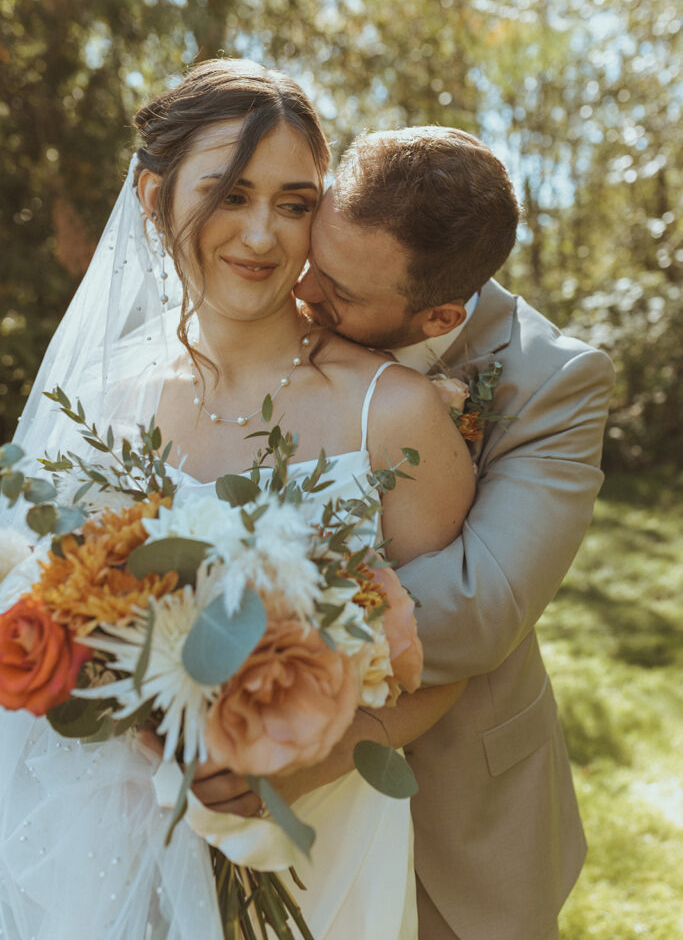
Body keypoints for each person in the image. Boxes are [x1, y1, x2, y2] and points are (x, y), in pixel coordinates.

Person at [0, 62, 474, 940]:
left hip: (317, 835)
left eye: (294, 203)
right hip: (95, 838)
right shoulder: (102, 396)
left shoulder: (392, 413)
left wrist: (306, 761)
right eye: (228, 194)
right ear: (153, 199)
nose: (261, 234)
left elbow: (448, 661)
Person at [293, 126, 616, 940]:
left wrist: (253, 647)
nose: (301, 290)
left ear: (436, 314)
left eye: (336, 290)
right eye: (313, 256)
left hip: (460, 790)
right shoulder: (274, 300)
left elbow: (479, 604)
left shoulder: (556, 380)